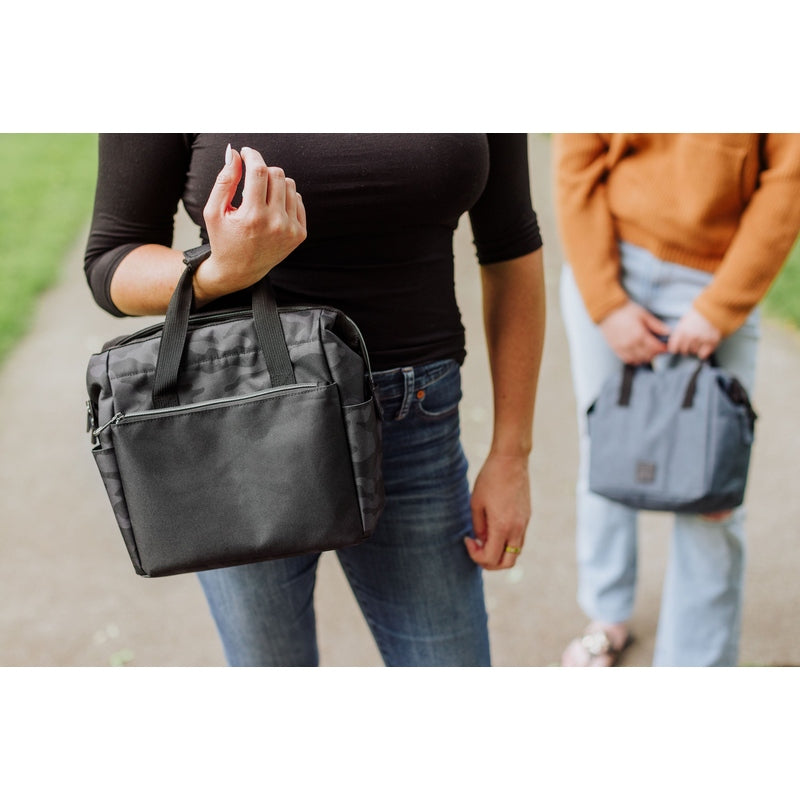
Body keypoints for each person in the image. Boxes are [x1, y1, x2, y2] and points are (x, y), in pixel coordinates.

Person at [84, 134, 546, 667]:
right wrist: (215, 272)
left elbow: (511, 243)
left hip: (413, 422)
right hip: (239, 425)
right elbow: (112, 260)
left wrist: (512, 453)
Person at [554, 133, 800, 667]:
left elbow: (789, 177)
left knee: (713, 486)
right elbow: (575, 162)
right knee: (606, 452)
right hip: (610, 259)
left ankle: (696, 665)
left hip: (718, 273)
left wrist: (720, 307)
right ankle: (607, 615)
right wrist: (605, 301)